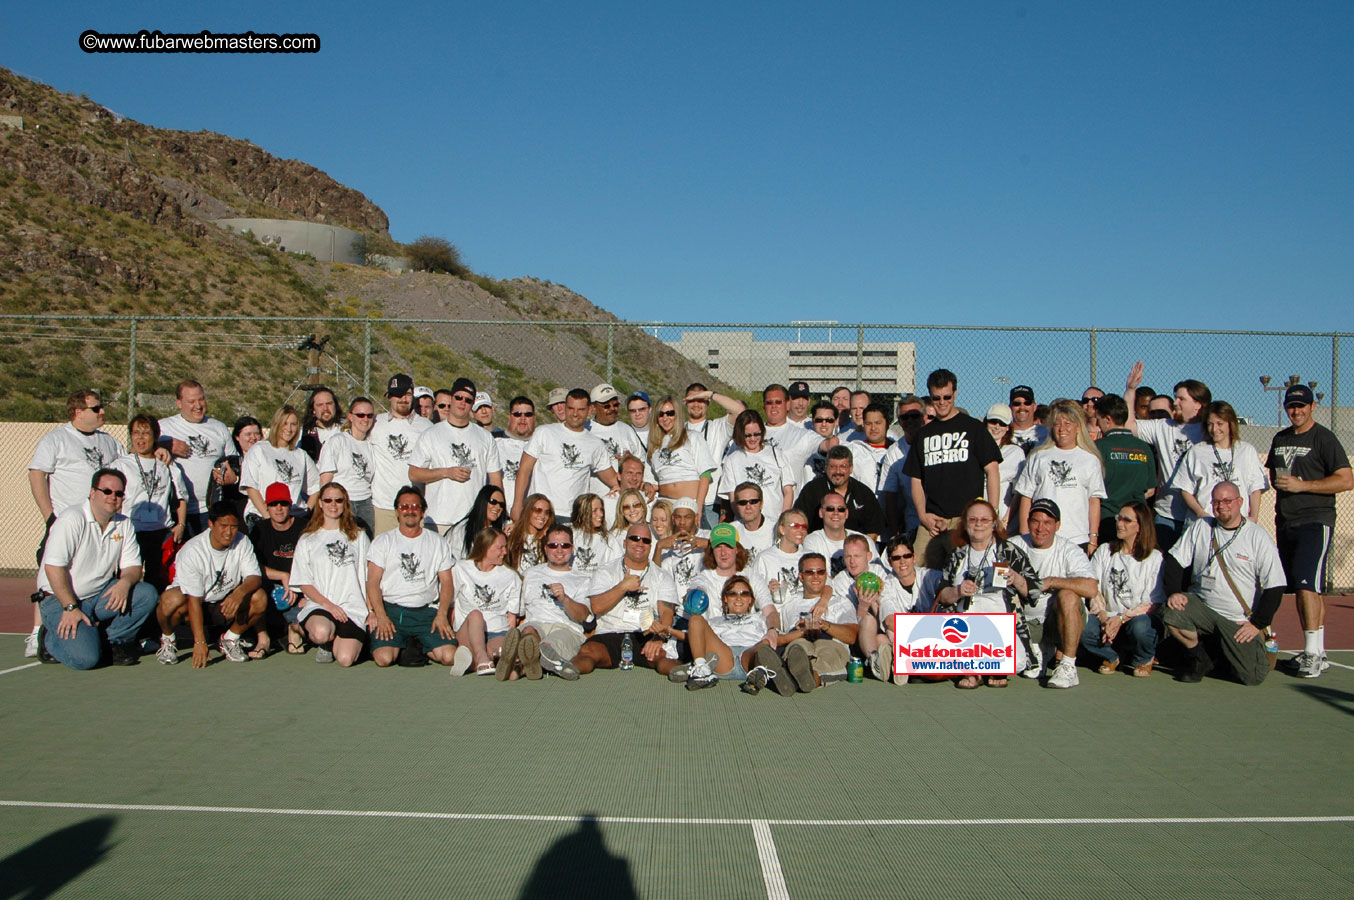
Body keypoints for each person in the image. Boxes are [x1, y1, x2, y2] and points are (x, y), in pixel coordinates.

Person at [1267, 383, 1353, 678]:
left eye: (1301, 406)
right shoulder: (1280, 438)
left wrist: (1302, 486)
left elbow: (1345, 479)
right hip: (1285, 521)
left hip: (1315, 520)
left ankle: (1312, 654)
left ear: (1312, 406)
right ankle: (1318, 651)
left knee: (1306, 586)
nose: (1296, 411)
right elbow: (1274, 474)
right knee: (1305, 588)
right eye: (1291, 406)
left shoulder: (1324, 438)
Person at [34, 468, 159, 668]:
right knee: (86, 660)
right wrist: (70, 607)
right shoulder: (71, 519)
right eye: (107, 491)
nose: (113, 497)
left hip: (99, 595)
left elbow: (133, 566)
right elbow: (53, 568)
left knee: (146, 594)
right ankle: (49, 639)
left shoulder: (124, 524)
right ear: (93, 493)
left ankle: (113, 642)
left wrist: (125, 583)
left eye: (119, 493)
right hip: (60, 600)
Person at [1163, 482, 1285, 685]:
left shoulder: (1257, 536)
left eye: (1228, 500)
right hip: (1203, 608)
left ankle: (1221, 655)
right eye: (1216, 501)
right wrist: (1174, 592)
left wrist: (1257, 624)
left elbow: (1276, 585)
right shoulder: (1201, 527)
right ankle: (1198, 657)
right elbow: (1174, 560)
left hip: (1238, 620)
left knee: (1253, 677)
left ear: (1240, 502)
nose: (1221, 506)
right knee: (1172, 612)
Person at [933, 498, 1042, 687]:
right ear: (965, 524)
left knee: (1018, 661)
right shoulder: (957, 555)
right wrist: (958, 590)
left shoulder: (1009, 551)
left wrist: (1015, 578)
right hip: (964, 623)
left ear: (994, 524)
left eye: (984, 520)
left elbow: (1033, 592)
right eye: (973, 519)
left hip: (1000, 624)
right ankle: (976, 670)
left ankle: (978, 665)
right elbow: (942, 596)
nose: (978, 524)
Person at [903, 369, 1002, 569]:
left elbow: (992, 470)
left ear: (955, 394)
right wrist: (922, 515)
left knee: (966, 571)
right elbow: (916, 479)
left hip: (966, 518)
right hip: (933, 519)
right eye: (936, 398)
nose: (942, 402)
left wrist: (991, 514)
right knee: (919, 571)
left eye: (947, 397)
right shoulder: (923, 434)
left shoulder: (974, 428)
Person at [155, 501, 267, 666]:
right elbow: (194, 600)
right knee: (169, 600)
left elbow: (254, 577)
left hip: (224, 605)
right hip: (192, 605)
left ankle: (229, 639)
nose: (229, 532)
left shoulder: (243, 541)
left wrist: (239, 593)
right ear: (210, 524)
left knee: (259, 597)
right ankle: (168, 640)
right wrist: (200, 642)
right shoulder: (193, 550)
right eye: (223, 526)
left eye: (233, 526)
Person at [365, 486, 457, 667]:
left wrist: (442, 614)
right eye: (404, 507)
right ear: (397, 511)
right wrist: (381, 616)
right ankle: (408, 646)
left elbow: (447, 582)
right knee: (384, 659)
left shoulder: (437, 542)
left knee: (449, 657)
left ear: (423, 512)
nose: (410, 511)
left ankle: (416, 645)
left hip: (426, 612)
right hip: (393, 611)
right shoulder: (383, 541)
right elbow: (373, 582)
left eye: (415, 506)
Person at [571, 523, 678, 676]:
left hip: (645, 633)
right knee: (588, 651)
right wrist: (623, 586)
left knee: (662, 657)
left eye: (645, 540)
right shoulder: (606, 571)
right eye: (635, 538)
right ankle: (569, 670)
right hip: (611, 632)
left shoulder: (662, 576)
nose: (640, 543)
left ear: (650, 546)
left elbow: (667, 613)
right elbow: (596, 607)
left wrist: (658, 637)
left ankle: (682, 673)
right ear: (625, 543)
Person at [1124, 362, 1210, 549]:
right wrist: (1130, 390)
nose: (1175, 402)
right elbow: (1130, 426)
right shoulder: (1164, 426)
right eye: (1175, 398)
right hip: (1166, 515)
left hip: (1200, 514)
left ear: (1198, 404)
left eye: (1181, 399)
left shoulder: (1210, 431)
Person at [1014, 498, 1099, 688]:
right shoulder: (1013, 545)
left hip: (1056, 621)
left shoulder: (1069, 550)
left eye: (1047, 523)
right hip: (1023, 622)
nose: (1040, 528)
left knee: (1068, 595)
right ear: (1028, 522)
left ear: (1057, 525)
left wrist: (1052, 581)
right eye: (1035, 521)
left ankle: (1068, 665)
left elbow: (1091, 588)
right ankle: (1039, 649)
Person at [747, 553, 858, 695]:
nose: (816, 576)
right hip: (799, 642)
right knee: (797, 649)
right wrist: (802, 631)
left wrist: (824, 625)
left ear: (826, 576)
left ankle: (799, 680)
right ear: (801, 577)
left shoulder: (841, 602)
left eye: (820, 572)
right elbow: (779, 638)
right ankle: (799, 678)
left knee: (828, 655)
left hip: (831, 644)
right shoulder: (789, 604)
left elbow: (851, 637)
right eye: (810, 572)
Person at [410, 379, 503, 539]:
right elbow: (414, 473)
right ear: (452, 398)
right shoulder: (431, 434)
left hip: (474, 520)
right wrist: (446, 472)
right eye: (459, 397)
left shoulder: (485, 437)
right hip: (439, 519)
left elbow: (495, 480)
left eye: (468, 400)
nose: (462, 403)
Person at [289, 482, 370, 666]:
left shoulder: (359, 536)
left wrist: (371, 611)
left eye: (338, 500)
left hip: (352, 608)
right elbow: (304, 582)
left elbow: (368, 577)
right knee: (321, 633)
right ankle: (320, 640)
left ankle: (340, 640)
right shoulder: (308, 539)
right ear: (320, 503)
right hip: (321, 606)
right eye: (328, 500)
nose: (333, 505)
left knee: (345, 660)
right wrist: (329, 606)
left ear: (345, 503)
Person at [512, 388, 620, 524]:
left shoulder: (595, 444)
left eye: (580, 410)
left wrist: (625, 481)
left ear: (589, 410)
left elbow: (613, 479)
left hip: (574, 516)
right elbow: (524, 470)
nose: (575, 414)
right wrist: (517, 504)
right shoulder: (544, 432)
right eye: (571, 408)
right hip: (541, 512)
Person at [1081, 501, 1164, 677]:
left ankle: (1143, 659)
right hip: (1106, 616)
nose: (1119, 523)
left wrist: (1121, 619)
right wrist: (1103, 615)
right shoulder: (1105, 550)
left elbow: (1152, 603)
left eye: (1127, 520)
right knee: (1083, 625)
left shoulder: (1154, 557)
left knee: (1141, 628)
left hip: (1136, 618)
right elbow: (1093, 588)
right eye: (1119, 518)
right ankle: (1110, 656)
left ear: (1140, 526)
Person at [1012, 399, 1107, 550]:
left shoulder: (1090, 459)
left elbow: (1094, 501)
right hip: (1041, 537)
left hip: (1077, 538)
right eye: (1057, 424)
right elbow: (1026, 496)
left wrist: (1093, 538)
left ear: (1078, 427)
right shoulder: (1038, 456)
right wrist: (1024, 533)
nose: (1062, 429)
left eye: (1068, 423)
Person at [113, 413, 188, 592]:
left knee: (158, 580)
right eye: (136, 433)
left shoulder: (167, 464)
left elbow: (181, 497)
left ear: (155, 436)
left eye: (146, 433)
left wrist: (181, 524)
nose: (140, 438)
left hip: (161, 531)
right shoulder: (121, 465)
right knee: (128, 578)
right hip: (132, 530)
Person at [861, 535, 942, 682]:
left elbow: (948, 590)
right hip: (905, 640)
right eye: (897, 558)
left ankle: (899, 660)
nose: (902, 561)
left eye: (907, 556)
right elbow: (890, 621)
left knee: (883, 639)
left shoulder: (930, 576)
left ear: (914, 557)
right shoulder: (887, 585)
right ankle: (900, 660)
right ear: (890, 562)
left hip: (931, 638)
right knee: (882, 637)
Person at [158, 380, 235, 533]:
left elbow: (233, 461)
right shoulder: (163, 428)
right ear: (179, 403)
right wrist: (166, 445)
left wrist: (233, 475)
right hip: (177, 510)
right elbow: (137, 452)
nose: (198, 406)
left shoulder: (219, 427)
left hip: (211, 509)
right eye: (191, 401)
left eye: (201, 399)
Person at [449, 527, 525, 678]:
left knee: (498, 652)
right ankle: (482, 657)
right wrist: (452, 631)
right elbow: (451, 606)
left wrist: (509, 636)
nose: (505, 552)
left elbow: (511, 616)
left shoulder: (511, 576)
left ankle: (479, 661)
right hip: (468, 630)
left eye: (505, 547)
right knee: (476, 615)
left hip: (497, 631)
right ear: (485, 547)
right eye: (500, 548)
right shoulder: (461, 569)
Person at [1174, 401, 1267, 522]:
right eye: (1210, 424)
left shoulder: (1246, 450)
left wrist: (1253, 518)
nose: (1214, 429)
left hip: (1236, 523)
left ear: (1230, 424)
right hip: (1205, 522)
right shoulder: (1197, 451)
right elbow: (1185, 489)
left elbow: (1255, 488)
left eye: (1220, 424)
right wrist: (1201, 513)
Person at [676, 575, 773, 690]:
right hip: (723, 656)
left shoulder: (760, 619)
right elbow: (695, 637)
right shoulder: (714, 620)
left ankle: (758, 674)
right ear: (725, 598)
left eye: (744, 594)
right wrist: (669, 631)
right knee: (696, 619)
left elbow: (776, 638)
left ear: (750, 599)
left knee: (765, 643)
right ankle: (701, 670)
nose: (738, 598)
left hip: (750, 657)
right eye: (733, 594)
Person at [522, 525, 594, 680]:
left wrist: (565, 599)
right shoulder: (530, 574)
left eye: (565, 545)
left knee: (548, 647)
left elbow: (584, 616)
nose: (559, 550)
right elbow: (519, 611)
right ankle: (537, 662)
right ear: (545, 548)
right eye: (553, 545)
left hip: (566, 628)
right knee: (527, 633)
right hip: (536, 624)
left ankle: (523, 664)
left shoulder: (583, 579)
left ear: (572, 549)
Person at [368, 373, 432, 535]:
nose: (403, 399)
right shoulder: (375, 424)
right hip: (383, 507)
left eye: (407, 394)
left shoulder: (426, 426)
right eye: (398, 394)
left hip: (415, 507)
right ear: (388, 396)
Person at [249, 482, 309, 655]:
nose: (279, 508)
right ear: (267, 507)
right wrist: (283, 576)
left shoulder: (304, 528)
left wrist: (304, 592)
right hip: (271, 586)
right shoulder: (259, 530)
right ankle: (263, 638)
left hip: (300, 588)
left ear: (290, 505)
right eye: (273, 504)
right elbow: (252, 567)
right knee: (254, 592)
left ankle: (293, 629)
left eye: (283, 503)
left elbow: (315, 566)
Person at [240, 404, 320, 526]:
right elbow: (251, 487)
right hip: (262, 518)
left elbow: (316, 486)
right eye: (285, 423)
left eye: (293, 424)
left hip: (293, 519)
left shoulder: (301, 455)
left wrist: (306, 511)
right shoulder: (259, 449)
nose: (289, 428)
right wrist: (268, 518)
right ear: (277, 424)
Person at [1093, 394, 1157, 545]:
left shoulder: (1098, 447)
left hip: (1107, 521)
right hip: (1137, 523)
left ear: (1107, 419)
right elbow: (1151, 489)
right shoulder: (1143, 447)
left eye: (1098, 419)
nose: (1097, 423)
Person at [682, 383, 746, 526]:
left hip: (709, 503)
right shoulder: (679, 429)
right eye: (692, 399)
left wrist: (709, 394)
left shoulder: (717, 427)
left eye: (701, 400)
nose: (696, 404)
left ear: (708, 402)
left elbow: (739, 411)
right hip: (684, 500)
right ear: (685, 401)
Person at [721, 409, 795, 525]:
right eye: (748, 435)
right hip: (747, 524)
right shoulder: (732, 460)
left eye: (757, 434)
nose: (753, 438)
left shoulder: (777, 454)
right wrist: (746, 521)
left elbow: (788, 491)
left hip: (775, 521)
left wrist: (783, 520)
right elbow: (733, 499)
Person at [794, 445, 884, 538]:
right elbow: (798, 522)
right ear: (826, 467)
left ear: (851, 468)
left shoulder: (863, 493)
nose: (837, 471)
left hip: (854, 544)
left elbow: (873, 530)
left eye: (843, 466)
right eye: (833, 467)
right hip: (818, 544)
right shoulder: (812, 490)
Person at [318, 395, 376, 535]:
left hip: (365, 502)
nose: (365, 419)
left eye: (369, 415)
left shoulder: (370, 445)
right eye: (360, 415)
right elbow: (325, 480)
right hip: (343, 501)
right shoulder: (337, 441)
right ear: (350, 417)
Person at [689, 523, 774, 619]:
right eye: (718, 547)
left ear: (737, 549)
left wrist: (772, 627)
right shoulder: (704, 579)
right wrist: (695, 596)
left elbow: (770, 611)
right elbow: (698, 591)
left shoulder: (752, 576)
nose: (723, 553)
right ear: (712, 551)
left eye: (728, 546)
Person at [586, 383, 656, 497]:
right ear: (593, 408)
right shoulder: (586, 430)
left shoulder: (626, 430)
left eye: (616, 405)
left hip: (628, 499)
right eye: (606, 406)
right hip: (598, 498)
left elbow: (642, 463)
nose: (612, 409)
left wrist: (630, 460)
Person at [646, 395, 713, 510]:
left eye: (670, 413)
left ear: (678, 414)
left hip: (689, 504)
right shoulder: (654, 444)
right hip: (664, 504)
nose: (665, 418)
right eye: (661, 414)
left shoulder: (692, 436)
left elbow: (705, 475)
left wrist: (699, 506)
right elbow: (654, 479)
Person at [751, 508, 811, 623]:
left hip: (805, 612)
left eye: (804, 527)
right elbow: (752, 596)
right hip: (776, 617)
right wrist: (767, 591)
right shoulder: (765, 558)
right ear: (782, 529)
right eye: (795, 526)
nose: (801, 530)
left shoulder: (810, 556)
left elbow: (827, 585)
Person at [760, 384, 823, 493]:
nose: (774, 406)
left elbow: (824, 445)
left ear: (787, 405)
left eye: (778, 402)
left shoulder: (804, 434)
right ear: (764, 406)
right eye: (769, 402)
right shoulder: (753, 434)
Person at [880, 395, 925, 540]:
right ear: (899, 421)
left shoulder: (936, 443)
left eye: (914, 416)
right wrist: (895, 534)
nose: (910, 420)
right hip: (913, 523)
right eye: (905, 417)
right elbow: (889, 496)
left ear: (923, 417)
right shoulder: (894, 452)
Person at [801, 491, 870, 577]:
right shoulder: (812, 541)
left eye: (841, 509)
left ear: (846, 513)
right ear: (821, 512)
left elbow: (876, 571)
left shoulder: (864, 540)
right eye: (830, 509)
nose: (836, 513)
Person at [207, 416, 262, 521]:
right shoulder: (229, 463)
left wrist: (236, 479)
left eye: (257, 433)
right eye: (248, 434)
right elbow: (215, 494)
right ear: (237, 437)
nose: (253, 438)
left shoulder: (267, 461)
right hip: (236, 515)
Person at [652, 497, 709, 597]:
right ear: (673, 519)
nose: (682, 522)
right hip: (677, 603)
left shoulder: (708, 536)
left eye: (687, 517)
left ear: (696, 517)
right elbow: (655, 576)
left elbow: (733, 550)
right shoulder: (668, 544)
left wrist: (708, 544)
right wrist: (659, 547)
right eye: (678, 517)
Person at [983, 403, 1025, 526]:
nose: (997, 427)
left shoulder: (1015, 452)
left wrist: (1005, 521)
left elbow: (1018, 492)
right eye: (993, 422)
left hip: (1003, 519)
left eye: (1002, 423)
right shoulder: (974, 449)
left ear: (1008, 427)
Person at [496, 395, 536, 508]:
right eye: (517, 414)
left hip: (531, 513)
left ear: (534, 418)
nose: (523, 418)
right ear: (509, 416)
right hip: (499, 511)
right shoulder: (492, 441)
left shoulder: (542, 444)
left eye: (528, 414)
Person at [453, 484, 508, 559]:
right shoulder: (462, 529)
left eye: (502, 505)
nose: (498, 507)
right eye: (493, 502)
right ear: (483, 501)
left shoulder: (504, 528)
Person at [506, 494, 555, 574]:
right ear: (528, 511)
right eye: (538, 510)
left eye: (547, 512)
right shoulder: (511, 535)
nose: (542, 516)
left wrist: (551, 530)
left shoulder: (549, 537)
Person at [730, 482, 776, 561]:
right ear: (736, 506)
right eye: (742, 503)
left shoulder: (776, 528)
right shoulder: (731, 530)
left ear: (761, 504)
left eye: (753, 501)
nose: (748, 507)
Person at [298, 386, 344, 462]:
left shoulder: (347, 427)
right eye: (320, 405)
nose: (325, 408)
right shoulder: (303, 431)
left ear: (335, 406)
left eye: (329, 403)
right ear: (313, 410)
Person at [803, 402, 843, 482]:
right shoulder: (803, 445)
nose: (824, 424)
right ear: (813, 422)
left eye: (829, 420)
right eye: (819, 420)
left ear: (836, 422)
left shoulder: (844, 447)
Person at [1008, 385, 1047, 454]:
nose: (1022, 407)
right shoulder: (1003, 433)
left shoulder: (1046, 433)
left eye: (1027, 403)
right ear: (1010, 407)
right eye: (1016, 403)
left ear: (1034, 407)